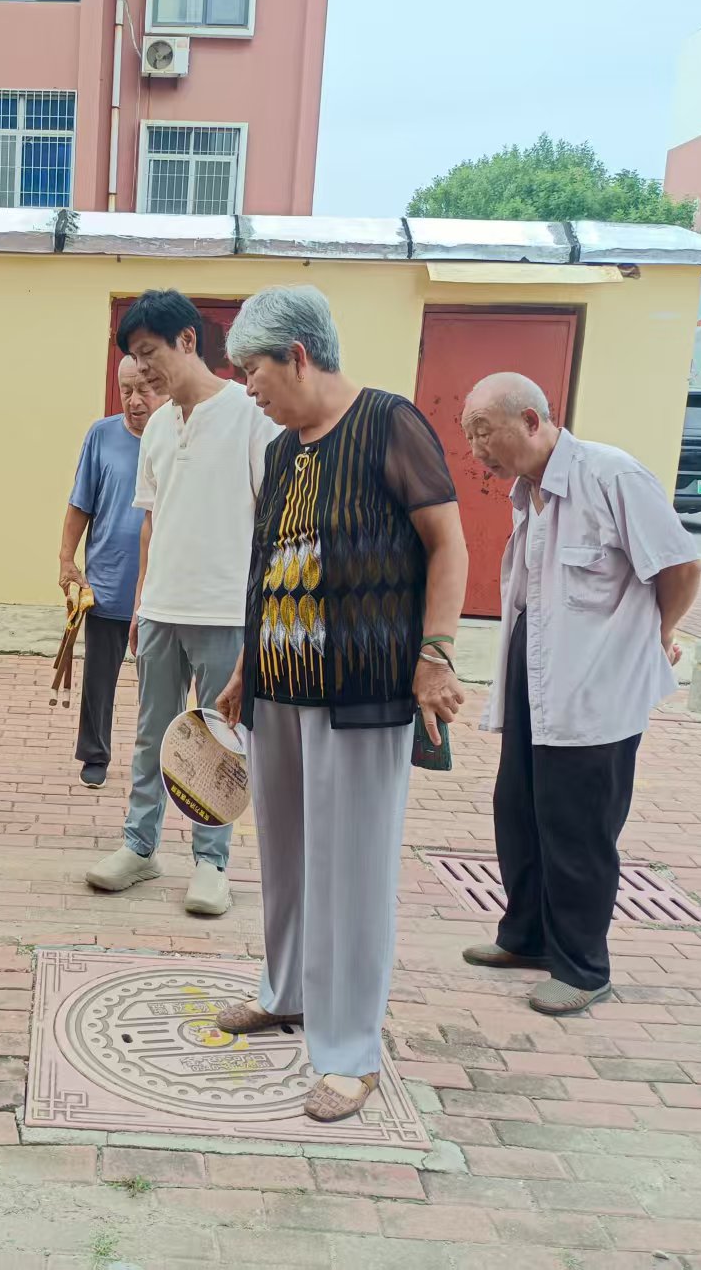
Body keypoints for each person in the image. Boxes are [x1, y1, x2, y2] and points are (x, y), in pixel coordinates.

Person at [211, 285, 468, 1124]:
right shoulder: (282, 450)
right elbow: (270, 566)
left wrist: (435, 654)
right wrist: (247, 665)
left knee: (351, 869)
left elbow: (448, 544)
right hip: (279, 687)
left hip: (362, 688)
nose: (247, 387)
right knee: (285, 855)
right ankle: (285, 990)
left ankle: (352, 1051)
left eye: (253, 370)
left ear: (298, 356)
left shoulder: (390, 424)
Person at [459, 372, 701, 1016]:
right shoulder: (528, 492)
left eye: (484, 432)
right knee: (519, 811)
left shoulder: (610, 475)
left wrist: (657, 633)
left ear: (531, 420)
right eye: (469, 436)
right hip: (535, 675)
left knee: (578, 828)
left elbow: (680, 566)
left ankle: (583, 969)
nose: (477, 450)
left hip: (595, 685)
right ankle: (527, 937)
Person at [83, 289, 278, 918]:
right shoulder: (160, 426)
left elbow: (271, 526)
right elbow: (150, 521)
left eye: (150, 354)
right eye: (135, 359)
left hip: (224, 613)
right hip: (162, 610)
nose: (142, 371)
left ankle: (211, 863)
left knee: (218, 743)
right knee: (151, 736)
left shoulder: (249, 415)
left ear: (188, 341)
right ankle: (139, 846)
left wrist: (257, 621)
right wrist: (141, 602)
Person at [58, 355, 168, 788]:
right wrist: (67, 560)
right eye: (126, 390)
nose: (134, 400)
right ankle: (94, 753)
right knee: (99, 680)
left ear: (163, 387)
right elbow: (80, 503)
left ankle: (156, 758)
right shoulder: (101, 435)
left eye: (144, 389)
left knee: (158, 686)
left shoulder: (177, 436)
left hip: (160, 589)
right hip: (106, 582)